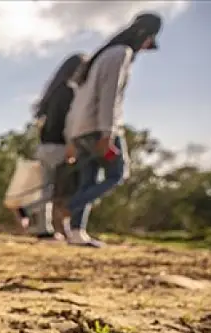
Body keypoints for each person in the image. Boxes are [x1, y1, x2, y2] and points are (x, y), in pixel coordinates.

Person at [63, 12, 163, 247]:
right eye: (149, 42)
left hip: (81, 129)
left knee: (88, 180)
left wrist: (71, 136)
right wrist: (107, 134)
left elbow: (78, 101)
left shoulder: (100, 57)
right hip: (99, 127)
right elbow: (110, 97)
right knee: (117, 174)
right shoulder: (121, 54)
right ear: (145, 36)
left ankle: (77, 232)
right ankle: (69, 207)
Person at [24, 52, 88, 241]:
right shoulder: (70, 91)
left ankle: (43, 228)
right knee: (64, 190)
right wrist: (72, 144)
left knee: (44, 190)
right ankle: (64, 228)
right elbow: (71, 122)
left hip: (44, 146)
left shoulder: (52, 92)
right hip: (60, 146)